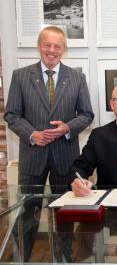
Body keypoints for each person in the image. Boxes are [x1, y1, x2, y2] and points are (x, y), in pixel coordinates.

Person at [4, 26, 94, 261]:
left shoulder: (77, 77)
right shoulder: (20, 76)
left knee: (65, 213)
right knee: (27, 213)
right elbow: (11, 115)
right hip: (32, 157)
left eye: (57, 46)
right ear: (39, 46)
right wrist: (32, 134)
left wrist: (67, 128)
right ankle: (21, 257)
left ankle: (63, 257)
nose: (51, 50)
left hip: (65, 156)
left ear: (64, 49)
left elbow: (86, 114)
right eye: (47, 45)